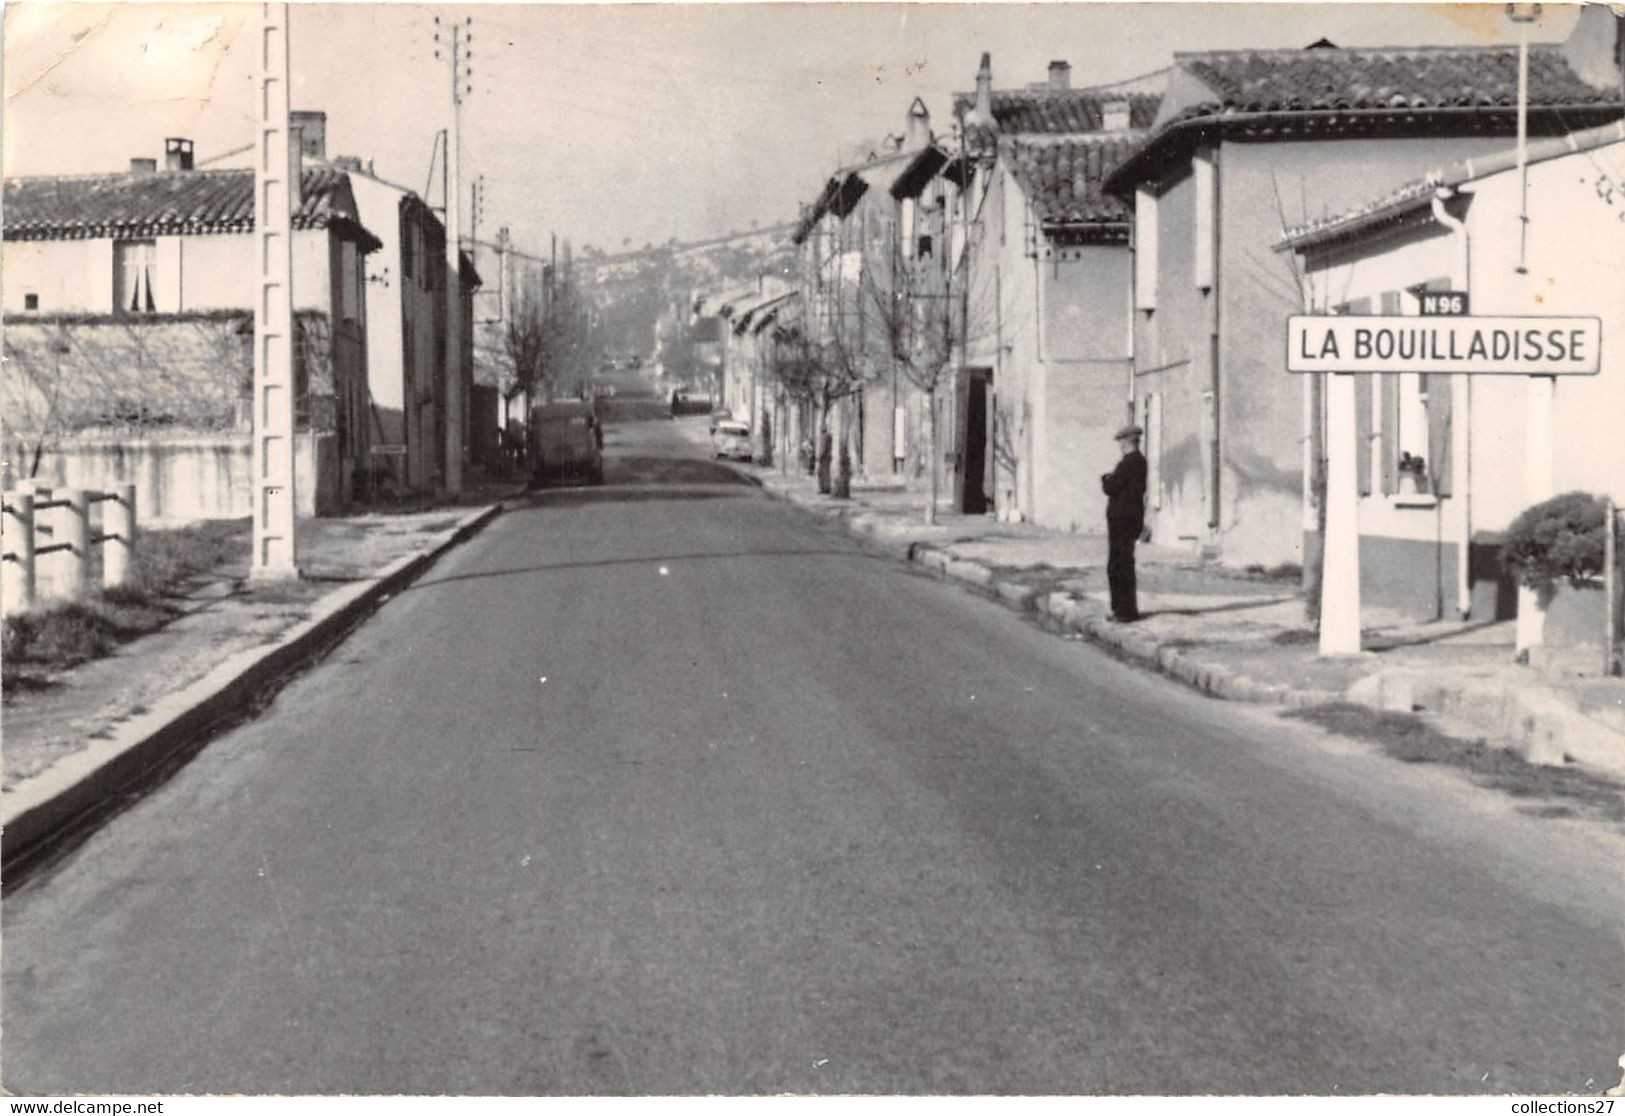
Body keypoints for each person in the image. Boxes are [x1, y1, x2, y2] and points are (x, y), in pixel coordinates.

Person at [1100, 423, 1148, 622]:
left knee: (1119, 565)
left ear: (1127, 442)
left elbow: (1111, 486)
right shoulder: (1140, 462)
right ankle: (1125, 609)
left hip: (1122, 520)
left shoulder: (1128, 463)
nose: (1120, 446)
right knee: (1124, 563)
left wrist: (1105, 479)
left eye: (1121, 442)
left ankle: (1124, 610)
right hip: (1131, 518)